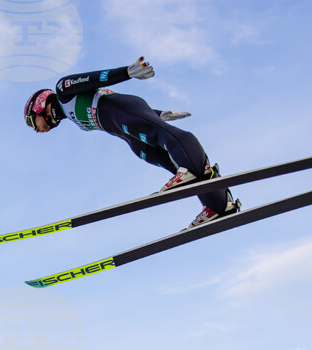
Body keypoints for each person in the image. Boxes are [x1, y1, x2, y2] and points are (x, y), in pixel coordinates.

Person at [25, 57, 239, 229]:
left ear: (39, 105)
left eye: (32, 121)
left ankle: (194, 168)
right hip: (125, 133)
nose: (35, 129)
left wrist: (127, 72)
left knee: (164, 136)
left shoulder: (63, 90)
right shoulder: (71, 117)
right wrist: (158, 114)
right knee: (168, 161)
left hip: (122, 110)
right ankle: (219, 205)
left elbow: (95, 79)